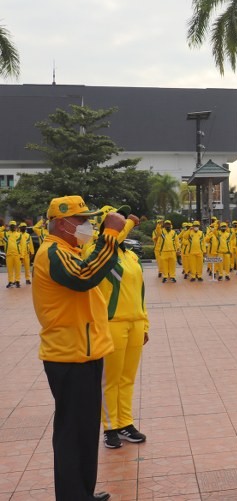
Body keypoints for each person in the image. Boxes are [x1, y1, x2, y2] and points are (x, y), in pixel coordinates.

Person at [33, 195, 125, 501]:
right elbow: (84, 276)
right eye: (82, 220)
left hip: (83, 353)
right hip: (69, 357)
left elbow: (90, 264)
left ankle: (81, 492)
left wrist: (112, 235)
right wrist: (109, 234)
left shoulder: (68, 249)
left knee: (85, 432)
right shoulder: (53, 252)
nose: (88, 225)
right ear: (62, 223)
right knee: (73, 434)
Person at [83, 206, 150, 450]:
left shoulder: (130, 256)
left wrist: (145, 323)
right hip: (111, 324)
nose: (124, 226)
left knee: (127, 378)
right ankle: (110, 427)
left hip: (135, 322)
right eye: (119, 223)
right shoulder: (95, 252)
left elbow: (140, 293)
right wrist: (129, 223)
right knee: (110, 380)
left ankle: (125, 422)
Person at [4, 220, 22, 287]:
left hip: (17, 255)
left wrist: (22, 255)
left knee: (18, 269)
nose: (12, 227)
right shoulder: (5, 234)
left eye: (13, 226)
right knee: (9, 269)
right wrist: (3, 227)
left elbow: (22, 245)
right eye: (11, 226)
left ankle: (17, 281)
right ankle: (10, 281)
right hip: (9, 255)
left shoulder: (19, 234)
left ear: (15, 226)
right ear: (9, 226)